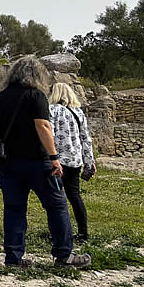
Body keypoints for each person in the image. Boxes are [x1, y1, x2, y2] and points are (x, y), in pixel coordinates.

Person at [0, 57, 90, 268]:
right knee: (57, 205)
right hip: (37, 161)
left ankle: (14, 257)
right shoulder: (36, 95)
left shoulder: (1, 98)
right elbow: (43, 126)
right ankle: (64, 254)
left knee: (14, 209)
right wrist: (54, 158)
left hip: (8, 162)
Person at [48, 82, 96, 244]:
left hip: (58, 160)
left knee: (56, 198)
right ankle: (83, 233)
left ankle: (60, 234)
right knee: (74, 196)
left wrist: (49, 156)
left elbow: (51, 134)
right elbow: (86, 139)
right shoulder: (78, 112)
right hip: (75, 160)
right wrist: (89, 162)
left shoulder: (52, 110)